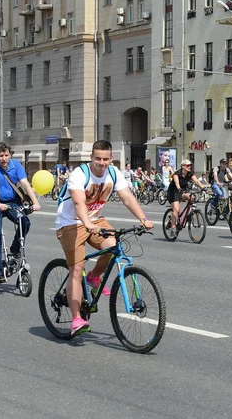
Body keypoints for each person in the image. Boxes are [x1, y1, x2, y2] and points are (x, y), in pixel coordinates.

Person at [55, 140, 153, 335]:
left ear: (111, 159)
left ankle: (93, 277)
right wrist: (87, 223)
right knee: (76, 268)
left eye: (105, 159)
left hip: (95, 221)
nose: (101, 162)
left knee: (113, 245)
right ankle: (76, 319)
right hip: (70, 223)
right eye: (97, 158)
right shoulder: (79, 174)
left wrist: (143, 219)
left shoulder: (114, 173)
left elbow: (127, 197)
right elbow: (78, 202)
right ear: (91, 157)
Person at [0, 142, 41, 284]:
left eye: (6, 155)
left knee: (24, 222)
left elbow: (25, 183)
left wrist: (36, 202)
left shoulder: (16, 165)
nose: (4, 158)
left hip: (12, 202)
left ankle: (15, 250)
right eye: (0, 156)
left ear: (10, 155)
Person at [167, 159, 206, 232]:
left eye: (190, 165)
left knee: (191, 196)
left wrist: (203, 188)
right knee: (176, 209)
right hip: (173, 192)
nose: (189, 167)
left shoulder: (189, 173)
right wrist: (179, 189)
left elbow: (197, 181)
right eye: (188, 165)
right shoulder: (177, 174)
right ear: (183, 166)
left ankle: (191, 212)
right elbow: (176, 182)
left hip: (182, 192)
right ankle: (173, 228)